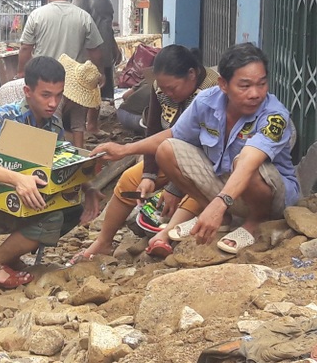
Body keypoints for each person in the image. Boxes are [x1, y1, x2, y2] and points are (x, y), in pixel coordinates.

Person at [92, 43, 300, 255]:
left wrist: (218, 205)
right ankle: (224, 220)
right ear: (224, 85)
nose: (255, 93)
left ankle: (256, 221)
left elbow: (249, 162)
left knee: (244, 162)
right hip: (227, 186)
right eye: (245, 86)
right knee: (166, 149)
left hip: (271, 197)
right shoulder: (206, 101)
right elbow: (173, 135)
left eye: (262, 84)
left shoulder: (274, 115)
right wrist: (124, 150)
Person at [0, 57, 102, 288]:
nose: (53, 103)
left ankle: (11, 257)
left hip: (14, 201)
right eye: (46, 95)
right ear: (27, 91)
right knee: (51, 215)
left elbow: (58, 167)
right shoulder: (0, 118)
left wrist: (89, 187)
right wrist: (17, 179)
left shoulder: (53, 125)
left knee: (73, 208)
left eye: (58, 95)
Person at [70, 45, 220, 263]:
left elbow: (198, 144)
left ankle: (166, 234)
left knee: (194, 190)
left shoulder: (210, 93)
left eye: (173, 88)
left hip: (205, 159)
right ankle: (103, 242)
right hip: (165, 154)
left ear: (191, 74)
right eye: (164, 88)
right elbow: (154, 130)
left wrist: (173, 188)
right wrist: (149, 175)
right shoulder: (161, 87)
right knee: (131, 179)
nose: (167, 93)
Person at [17, 0, 104, 147]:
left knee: (49, 123)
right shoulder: (83, 17)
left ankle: (47, 158)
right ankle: (80, 158)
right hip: (76, 81)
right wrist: (98, 74)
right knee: (78, 123)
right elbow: (95, 50)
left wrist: (21, 71)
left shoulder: (37, 15)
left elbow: (26, 48)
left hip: (45, 81)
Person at [73, 0, 121, 133]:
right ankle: (83, 126)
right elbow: (77, 23)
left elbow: (106, 25)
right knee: (88, 89)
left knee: (100, 89)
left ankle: (93, 126)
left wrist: (114, 46)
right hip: (90, 53)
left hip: (105, 50)